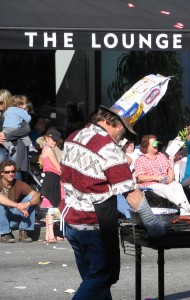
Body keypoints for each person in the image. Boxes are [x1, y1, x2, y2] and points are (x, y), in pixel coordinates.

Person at [60, 105, 164, 299]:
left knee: (94, 282)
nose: (122, 136)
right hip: (93, 223)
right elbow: (131, 193)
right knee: (100, 277)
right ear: (115, 123)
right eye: (124, 130)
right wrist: (153, 224)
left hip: (70, 219)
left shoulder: (73, 136)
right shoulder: (107, 147)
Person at [134, 134, 190, 215]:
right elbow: (140, 178)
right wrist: (157, 178)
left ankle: (185, 210)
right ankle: (183, 206)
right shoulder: (140, 160)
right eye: (154, 144)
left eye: (157, 143)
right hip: (151, 185)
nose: (156, 145)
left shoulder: (161, 156)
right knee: (164, 188)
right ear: (146, 146)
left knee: (177, 185)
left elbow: (169, 169)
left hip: (166, 181)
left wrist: (171, 177)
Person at [0, 160, 41, 243]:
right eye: (7, 172)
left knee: (31, 198)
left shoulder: (18, 183)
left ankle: (24, 231)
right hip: (2, 219)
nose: (11, 174)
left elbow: (37, 195)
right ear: (2, 173)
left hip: (14, 218)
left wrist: (27, 204)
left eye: (13, 171)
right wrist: (18, 205)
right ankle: (5, 233)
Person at [39, 128, 64, 243]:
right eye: (53, 139)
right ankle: (50, 235)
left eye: (56, 140)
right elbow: (57, 167)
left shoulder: (47, 149)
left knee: (52, 207)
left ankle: (50, 234)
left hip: (51, 178)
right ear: (47, 138)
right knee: (52, 207)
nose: (55, 142)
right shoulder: (48, 150)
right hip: (52, 178)